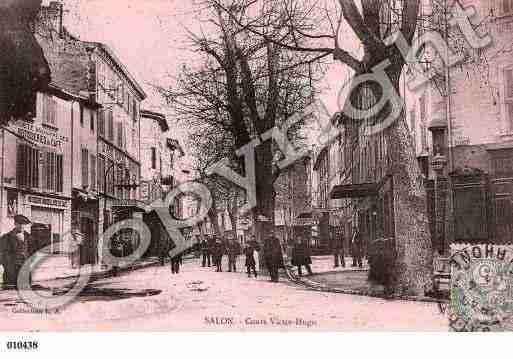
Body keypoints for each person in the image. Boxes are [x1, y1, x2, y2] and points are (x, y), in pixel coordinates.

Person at [0, 214, 34, 290]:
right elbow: (2, 254)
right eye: (20, 224)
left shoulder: (29, 237)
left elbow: (32, 251)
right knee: (10, 294)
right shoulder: (6, 237)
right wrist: (8, 266)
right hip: (11, 271)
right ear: (15, 224)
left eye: (24, 224)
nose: (22, 226)